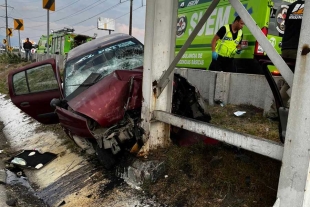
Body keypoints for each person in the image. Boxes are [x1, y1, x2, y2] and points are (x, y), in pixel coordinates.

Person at [267, 0, 304, 119]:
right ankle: (274, 112)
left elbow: (286, 25)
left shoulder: (292, 6)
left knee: (284, 80)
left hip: (286, 47)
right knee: (291, 82)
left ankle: (275, 109)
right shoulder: (308, 7)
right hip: (298, 49)